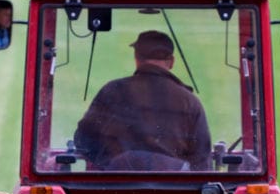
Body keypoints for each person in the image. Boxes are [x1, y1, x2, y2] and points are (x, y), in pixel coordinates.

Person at [73, 30, 212, 171]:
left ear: (137, 58)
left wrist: (109, 163)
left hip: (117, 188)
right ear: (171, 61)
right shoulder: (190, 102)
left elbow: (83, 140)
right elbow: (201, 162)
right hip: (170, 190)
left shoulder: (112, 90)